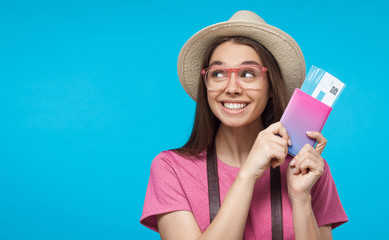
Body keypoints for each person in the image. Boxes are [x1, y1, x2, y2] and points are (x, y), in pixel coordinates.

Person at [140, 10, 347, 239]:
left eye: (248, 74)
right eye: (218, 73)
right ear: (206, 84)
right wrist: (247, 174)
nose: (232, 88)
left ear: (271, 86)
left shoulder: (308, 168)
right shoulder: (171, 168)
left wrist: (300, 198)